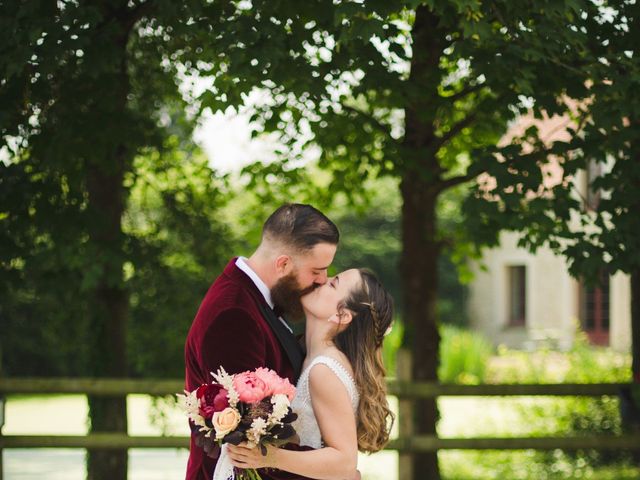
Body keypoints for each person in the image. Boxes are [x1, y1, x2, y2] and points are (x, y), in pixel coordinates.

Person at [184, 203, 339, 480]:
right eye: (316, 271)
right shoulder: (233, 315)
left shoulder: (259, 301)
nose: (322, 281)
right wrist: (332, 471)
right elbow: (249, 443)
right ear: (282, 264)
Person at [227, 268, 395, 480]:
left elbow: (345, 462)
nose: (322, 280)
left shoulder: (324, 370)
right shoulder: (313, 358)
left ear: (342, 315)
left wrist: (269, 457)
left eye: (333, 284)